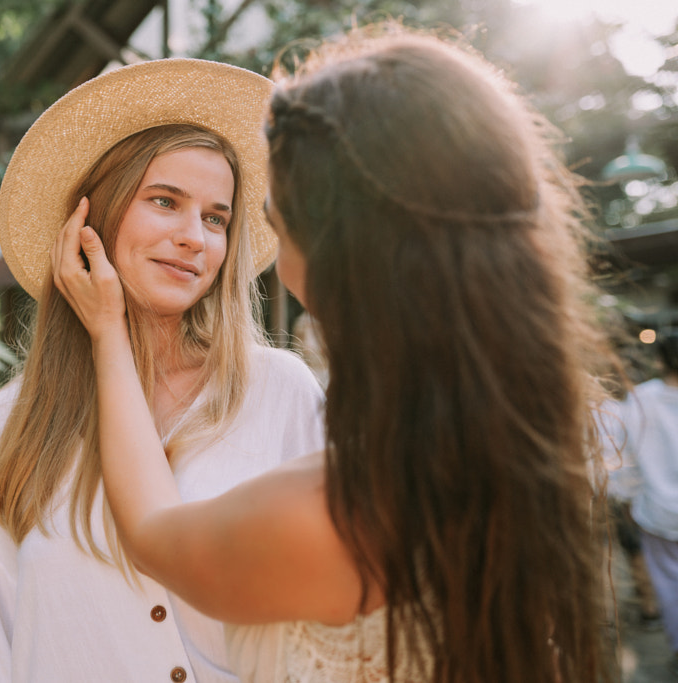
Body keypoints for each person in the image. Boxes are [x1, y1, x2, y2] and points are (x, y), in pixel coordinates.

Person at [53, 25, 615, 683]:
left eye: (259, 214)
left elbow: (152, 531)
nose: (218, 238)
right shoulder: (520, 458)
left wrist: (107, 331)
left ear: (337, 251)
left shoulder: (339, 512)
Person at [0, 58, 326, 683]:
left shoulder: (279, 393)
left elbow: (326, 629)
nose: (194, 238)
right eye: (164, 201)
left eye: (215, 217)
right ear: (93, 220)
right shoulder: (11, 421)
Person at [604, 327, 678, 674]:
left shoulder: (640, 399)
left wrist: (627, 497)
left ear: (660, 360)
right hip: (655, 514)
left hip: (658, 515)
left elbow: (623, 458)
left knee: (667, 583)